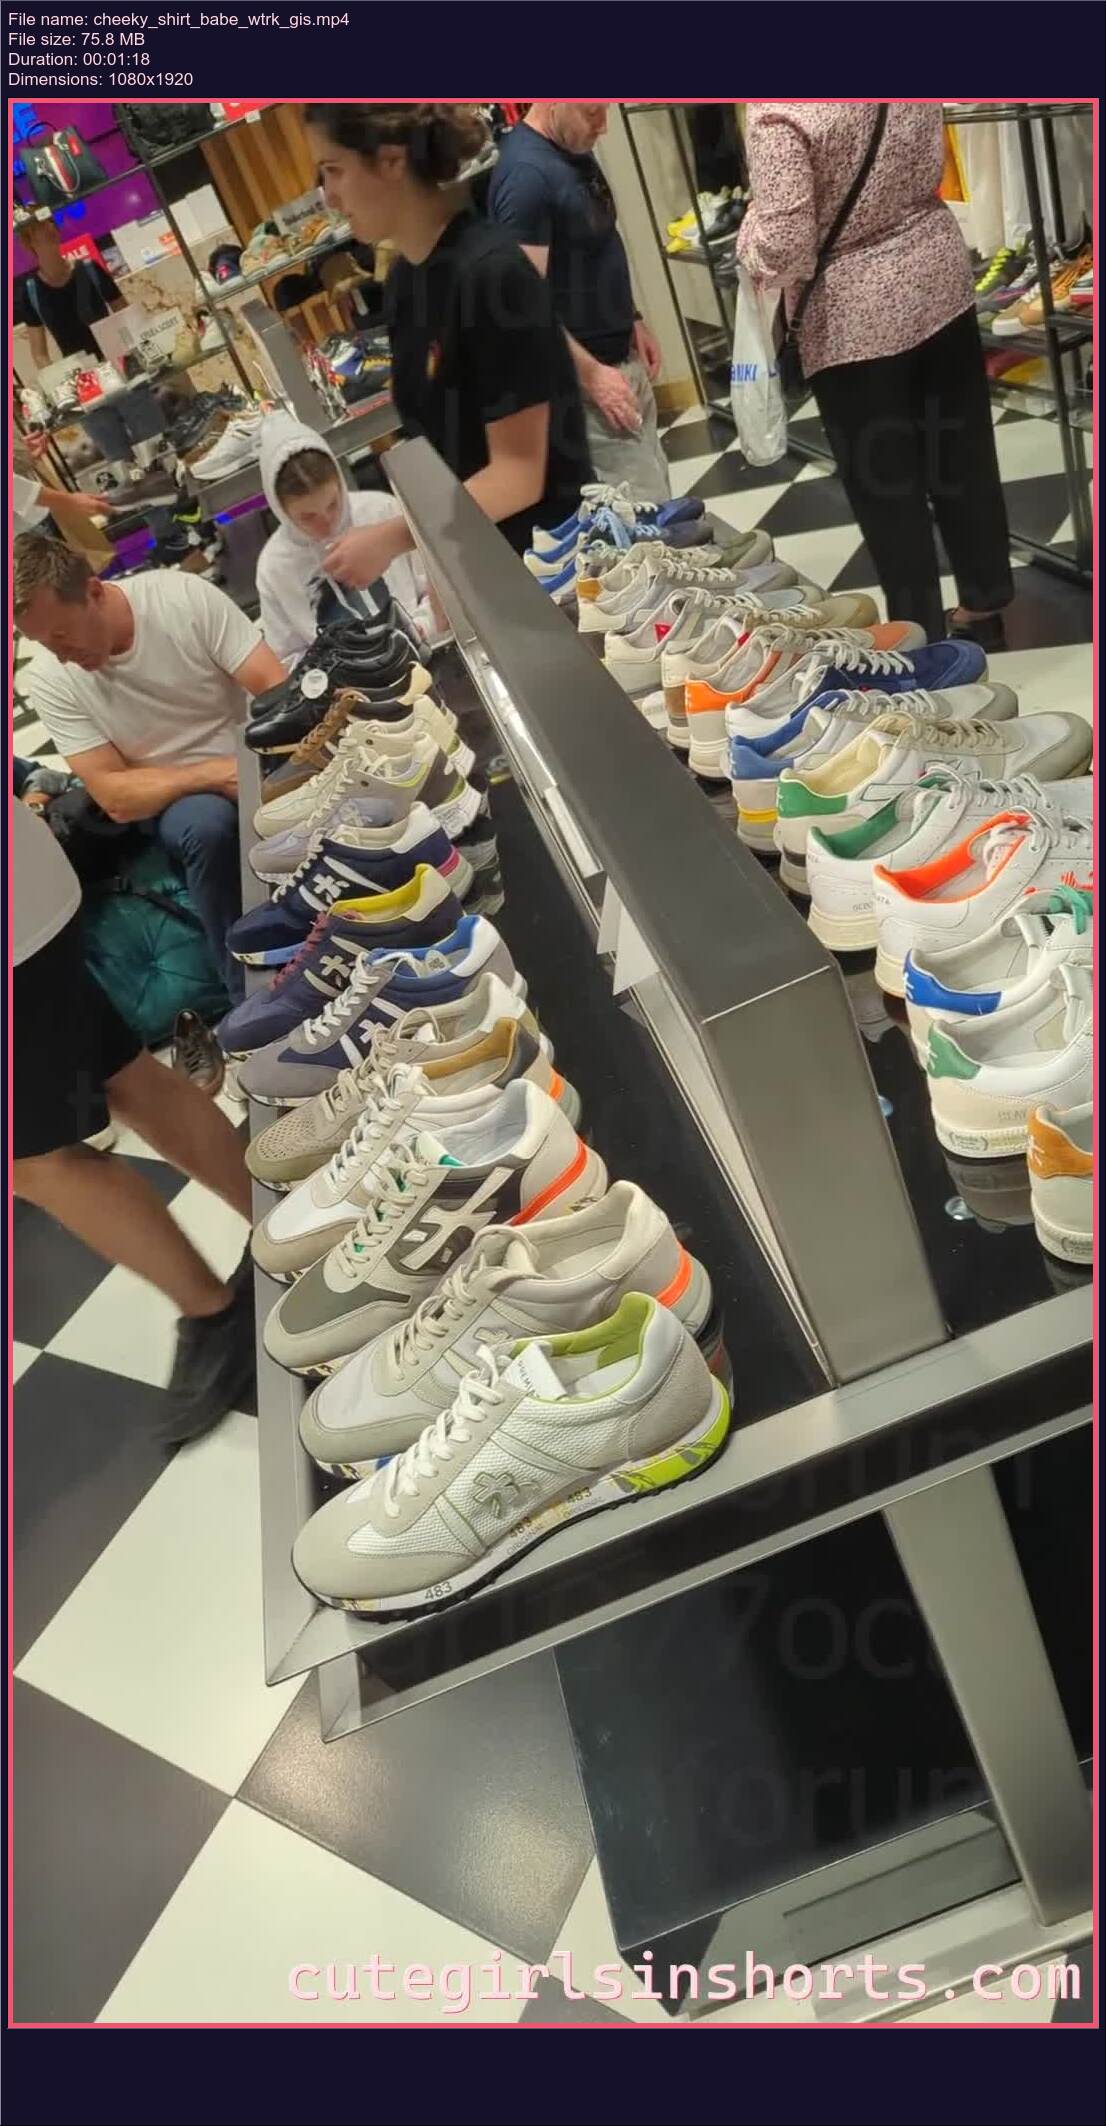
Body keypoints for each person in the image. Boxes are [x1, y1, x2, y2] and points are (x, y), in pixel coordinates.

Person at [11, 797, 254, 1444]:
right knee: (126, 1072)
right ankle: (289, 1227)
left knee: (33, 1161)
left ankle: (215, 1312)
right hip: (25, 892)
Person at [737, 102, 1014, 648]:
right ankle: (985, 603)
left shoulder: (780, 111)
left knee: (888, 491)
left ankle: (921, 636)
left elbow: (785, 248)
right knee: (962, 454)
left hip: (853, 315)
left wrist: (747, 234)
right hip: (937, 272)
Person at [300, 102, 592, 590]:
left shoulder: (491, 275)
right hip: (485, 569)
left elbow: (518, 475)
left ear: (391, 161)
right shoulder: (405, 282)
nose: (328, 196)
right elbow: (442, 454)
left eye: (334, 171)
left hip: (561, 574)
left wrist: (394, 537)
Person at [13, 532, 287, 1000]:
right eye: (43, 643)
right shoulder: (52, 679)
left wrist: (263, 763)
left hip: (255, 754)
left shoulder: (178, 598)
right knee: (207, 826)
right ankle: (253, 996)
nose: (60, 654)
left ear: (94, 591)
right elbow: (116, 796)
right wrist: (215, 775)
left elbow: (276, 690)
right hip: (172, 800)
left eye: (61, 635)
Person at [487, 102, 671, 505]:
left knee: (658, 491)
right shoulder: (526, 176)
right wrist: (593, 377)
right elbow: (522, 305)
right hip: (586, 384)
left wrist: (632, 318)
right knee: (644, 514)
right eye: (591, 113)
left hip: (615, 360)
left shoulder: (571, 149)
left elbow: (596, 243)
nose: (603, 126)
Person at [255, 409, 436, 668]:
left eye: (333, 504)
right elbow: (286, 658)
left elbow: (438, 587)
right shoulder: (274, 567)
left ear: (340, 483)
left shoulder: (382, 511)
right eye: (308, 516)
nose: (326, 522)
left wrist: (422, 626)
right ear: (281, 510)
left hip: (427, 657)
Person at [15, 216, 167, 478]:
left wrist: (139, 351)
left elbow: (125, 314)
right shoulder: (30, 291)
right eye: (39, 226)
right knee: (120, 462)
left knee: (158, 445)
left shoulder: (89, 269)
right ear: (28, 241)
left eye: (50, 223)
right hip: (82, 385)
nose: (49, 228)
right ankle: (144, 497)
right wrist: (59, 386)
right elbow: (39, 353)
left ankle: (179, 489)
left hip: (119, 367)